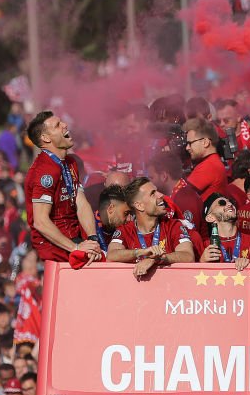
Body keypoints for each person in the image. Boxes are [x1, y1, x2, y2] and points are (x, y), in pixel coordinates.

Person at [23, 110, 102, 263]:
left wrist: (92, 239)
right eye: (57, 125)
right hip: (55, 249)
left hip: (74, 240)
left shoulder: (70, 162)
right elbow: (40, 222)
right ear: (45, 138)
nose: (65, 125)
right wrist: (76, 248)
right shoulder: (44, 171)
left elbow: (81, 202)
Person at [105, 177, 196, 278]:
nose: (161, 195)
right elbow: (111, 255)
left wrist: (156, 259)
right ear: (139, 205)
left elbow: (188, 256)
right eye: (153, 193)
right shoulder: (125, 231)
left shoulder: (174, 226)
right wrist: (141, 252)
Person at [199, 193, 250, 270]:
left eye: (231, 201)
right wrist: (202, 262)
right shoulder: (204, 247)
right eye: (222, 203)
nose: (229, 204)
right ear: (210, 217)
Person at [183, 117, 229, 199]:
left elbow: (181, 195)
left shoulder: (209, 166)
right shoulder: (213, 162)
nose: (187, 147)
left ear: (205, 142)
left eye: (190, 143)